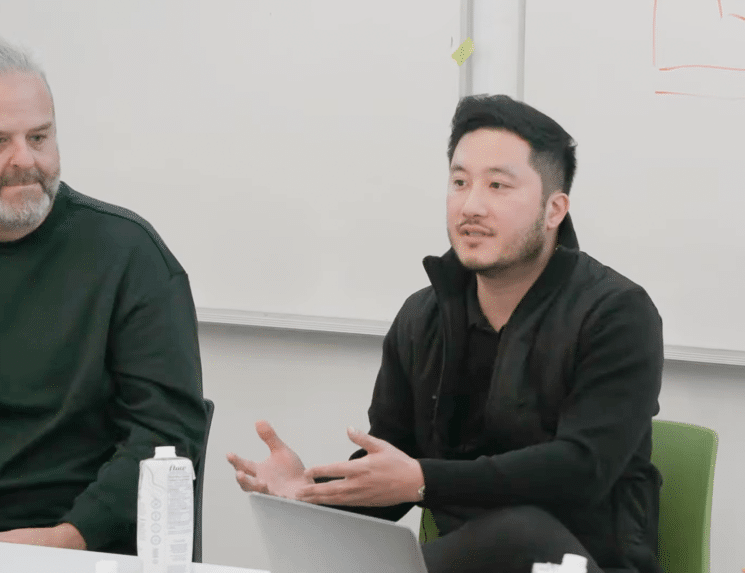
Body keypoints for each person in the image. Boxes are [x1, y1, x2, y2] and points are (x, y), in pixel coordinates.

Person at [228, 94, 665, 573]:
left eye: (498, 185)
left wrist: (421, 481)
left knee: (521, 532)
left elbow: (582, 470)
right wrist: (308, 494)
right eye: (459, 182)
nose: (471, 205)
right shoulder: (424, 318)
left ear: (554, 209)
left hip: (585, 563)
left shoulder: (617, 314)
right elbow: (390, 472)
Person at [0, 38, 207, 554]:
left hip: (73, 543)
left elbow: (165, 433)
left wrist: (69, 539)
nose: (24, 159)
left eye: (39, 137)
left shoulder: (129, 255)